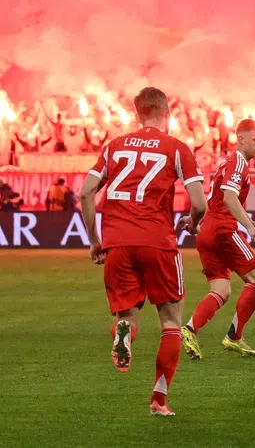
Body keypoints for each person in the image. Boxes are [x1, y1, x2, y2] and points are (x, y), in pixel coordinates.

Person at [77, 86, 207, 418]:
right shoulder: (177, 148)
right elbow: (199, 203)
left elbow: (86, 192)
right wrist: (193, 222)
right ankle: (158, 400)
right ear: (167, 113)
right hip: (158, 242)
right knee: (171, 323)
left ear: (137, 113)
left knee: (126, 317)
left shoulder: (114, 147)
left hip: (118, 243)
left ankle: (125, 334)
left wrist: (94, 240)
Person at [181, 119, 255, 360]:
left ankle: (189, 329)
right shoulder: (238, 162)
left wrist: (194, 221)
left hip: (207, 229)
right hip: (222, 230)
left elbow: (215, 198)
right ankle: (234, 336)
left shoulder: (227, 162)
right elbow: (229, 198)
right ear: (241, 139)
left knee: (221, 289)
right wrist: (249, 227)